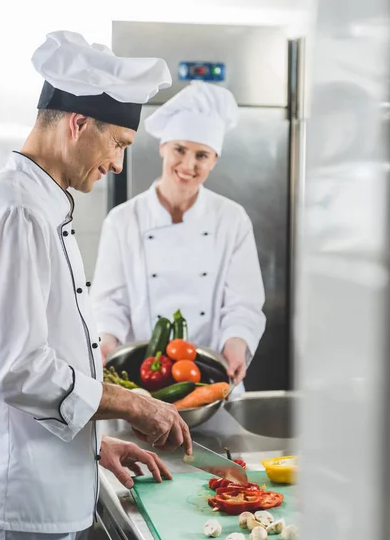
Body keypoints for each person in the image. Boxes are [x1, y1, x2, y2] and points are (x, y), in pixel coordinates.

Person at [0, 31, 192, 540]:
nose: (118, 166)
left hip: (54, 487)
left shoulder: (43, 203)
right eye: (119, 145)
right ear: (77, 123)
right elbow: (19, 369)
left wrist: (93, 445)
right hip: (26, 507)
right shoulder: (19, 212)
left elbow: (49, 352)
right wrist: (133, 401)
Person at [92, 81, 266, 390]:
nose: (188, 165)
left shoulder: (231, 219)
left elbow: (244, 302)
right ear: (163, 147)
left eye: (202, 155)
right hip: (142, 381)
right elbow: (110, 303)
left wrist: (237, 342)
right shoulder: (123, 220)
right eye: (180, 149)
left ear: (214, 160)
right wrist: (105, 341)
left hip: (211, 379)